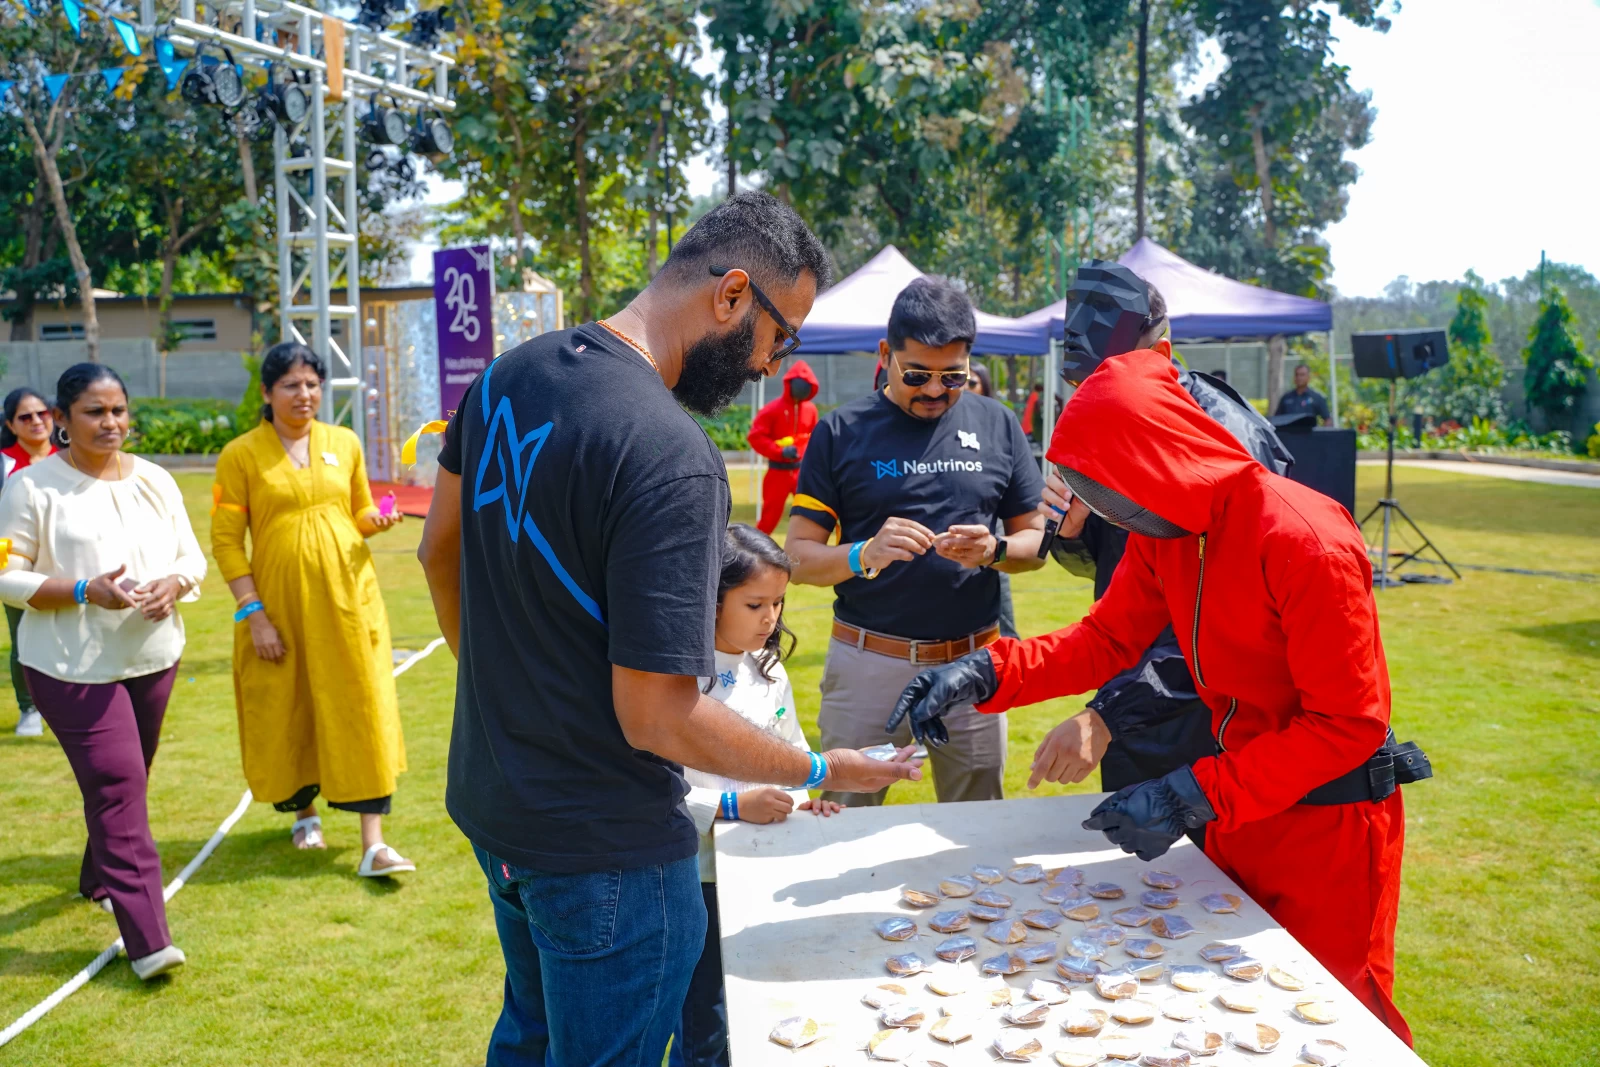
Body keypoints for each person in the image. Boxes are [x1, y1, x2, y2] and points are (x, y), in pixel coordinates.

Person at [415, 191, 919, 1067]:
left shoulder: (508, 374)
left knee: (528, 1042)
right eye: (779, 336)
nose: (771, 364)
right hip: (609, 850)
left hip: (500, 806)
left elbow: (437, 549)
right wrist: (817, 766)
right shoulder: (674, 455)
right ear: (731, 295)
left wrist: (510, 693)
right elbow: (660, 716)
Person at [890, 348, 1423, 1044]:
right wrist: (987, 670)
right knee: (1235, 1013)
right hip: (1240, 807)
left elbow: (1347, 726)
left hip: (1329, 824)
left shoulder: (1304, 537)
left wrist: (1189, 795)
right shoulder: (1168, 531)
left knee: (1335, 1025)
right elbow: (1105, 639)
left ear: (1162, 457)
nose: (1108, 511)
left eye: (1113, 487)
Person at [1029, 263, 1293, 796]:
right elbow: (1106, 574)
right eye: (1085, 386)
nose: (1098, 399)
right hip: (1130, 698)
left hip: (1218, 720)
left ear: (1161, 356)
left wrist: (1108, 713)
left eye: (1110, 380)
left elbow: (1224, 623)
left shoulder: (1227, 440)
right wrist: (1074, 529)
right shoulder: (1105, 416)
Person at [788, 276, 1046, 808]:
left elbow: (1035, 542)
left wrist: (994, 550)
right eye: (918, 375)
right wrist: (863, 553)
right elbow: (796, 557)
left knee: (975, 830)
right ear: (886, 355)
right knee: (844, 820)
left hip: (972, 662)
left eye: (953, 376)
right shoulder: (841, 432)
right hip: (869, 661)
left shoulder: (997, 424)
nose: (934, 390)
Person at [0, 363, 206, 981]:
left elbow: (189, 555)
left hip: (152, 657)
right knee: (119, 788)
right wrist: (86, 589)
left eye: (118, 410)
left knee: (125, 782)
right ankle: (148, 942)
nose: (111, 423)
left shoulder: (157, 480)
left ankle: (97, 877)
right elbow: (7, 577)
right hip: (69, 667)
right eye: (94, 412)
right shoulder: (31, 486)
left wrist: (175, 582)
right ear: (61, 421)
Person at [211, 342, 411, 877]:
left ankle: (374, 841)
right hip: (279, 608)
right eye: (292, 385)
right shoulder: (242, 454)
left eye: (312, 384)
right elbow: (228, 542)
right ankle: (305, 814)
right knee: (290, 703)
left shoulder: (343, 442)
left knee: (361, 702)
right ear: (267, 393)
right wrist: (252, 614)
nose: (304, 395)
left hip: (349, 601)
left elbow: (359, 509)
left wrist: (377, 519)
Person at [674, 524, 842, 1067]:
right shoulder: (674, 678)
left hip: (765, 867)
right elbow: (656, 785)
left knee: (762, 997)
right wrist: (728, 807)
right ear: (711, 598)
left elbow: (789, 747)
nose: (771, 618)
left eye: (778, 602)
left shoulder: (768, 665)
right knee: (705, 1013)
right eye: (754, 604)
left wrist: (806, 796)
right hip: (697, 877)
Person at [1, 387, 56, 737]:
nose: (37, 421)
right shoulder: (4, 462)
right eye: (26, 416)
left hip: (63, 559)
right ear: (10, 424)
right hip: (13, 563)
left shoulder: (70, 456)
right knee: (23, 636)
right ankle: (29, 709)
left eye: (43, 413)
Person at [962, 363, 1020, 641]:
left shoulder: (997, 425)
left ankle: (1009, 646)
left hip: (991, 528)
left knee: (1001, 593)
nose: (964, 387)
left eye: (971, 382)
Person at [746, 359, 819, 534]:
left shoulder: (811, 410)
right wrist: (779, 451)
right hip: (778, 472)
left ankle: (809, 549)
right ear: (789, 384)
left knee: (811, 514)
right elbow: (756, 437)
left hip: (801, 472)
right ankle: (756, 550)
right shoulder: (772, 410)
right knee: (769, 517)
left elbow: (814, 438)